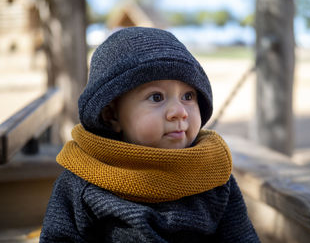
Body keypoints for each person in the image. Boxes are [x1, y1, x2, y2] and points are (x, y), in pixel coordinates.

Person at [40, 27, 260, 242]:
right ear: (111, 115)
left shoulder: (211, 173)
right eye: (156, 97)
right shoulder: (84, 179)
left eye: (188, 96)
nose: (179, 112)